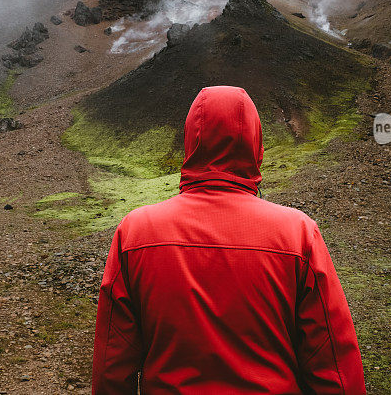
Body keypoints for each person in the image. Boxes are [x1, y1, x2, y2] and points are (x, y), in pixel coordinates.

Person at [92, 86, 365, 394]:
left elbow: (112, 366)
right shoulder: (298, 234)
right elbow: (334, 366)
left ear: (190, 140)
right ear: (256, 143)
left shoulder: (135, 233)